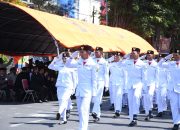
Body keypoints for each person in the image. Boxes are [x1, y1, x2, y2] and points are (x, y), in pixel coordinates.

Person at [67, 45, 98, 130]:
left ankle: (82, 128)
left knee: (84, 109)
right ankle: (83, 127)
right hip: (79, 89)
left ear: (88, 53)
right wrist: (71, 57)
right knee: (80, 111)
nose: (80, 53)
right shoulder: (79, 61)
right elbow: (68, 65)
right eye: (80, 52)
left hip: (88, 90)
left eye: (82, 52)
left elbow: (94, 80)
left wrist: (94, 94)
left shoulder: (93, 64)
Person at [48, 52, 77, 124]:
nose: (64, 59)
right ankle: (64, 119)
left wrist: (74, 88)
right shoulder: (60, 65)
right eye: (63, 58)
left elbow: (75, 79)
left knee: (64, 100)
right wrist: (55, 59)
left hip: (68, 87)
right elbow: (50, 66)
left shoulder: (72, 66)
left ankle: (59, 112)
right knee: (62, 102)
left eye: (66, 58)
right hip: (60, 86)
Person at [124, 47, 146, 127]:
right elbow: (120, 62)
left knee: (136, 97)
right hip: (130, 84)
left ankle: (135, 116)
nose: (132, 54)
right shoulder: (128, 62)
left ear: (138, 54)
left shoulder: (142, 64)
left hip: (138, 83)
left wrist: (144, 88)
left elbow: (144, 77)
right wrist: (128, 55)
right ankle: (132, 118)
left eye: (134, 53)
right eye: (132, 53)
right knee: (130, 101)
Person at [161, 49, 180, 130]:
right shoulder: (171, 63)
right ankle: (176, 123)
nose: (176, 56)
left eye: (177, 54)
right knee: (174, 106)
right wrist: (168, 57)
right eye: (174, 55)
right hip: (172, 88)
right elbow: (160, 64)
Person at [91, 47, 109, 122]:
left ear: (101, 53)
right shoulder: (91, 60)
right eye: (95, 52)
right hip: (93, 81)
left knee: (98, 97)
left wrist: (106, 84)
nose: (96, 53)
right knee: (94, 99)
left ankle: (94, 112)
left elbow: (106, 74)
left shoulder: (105, 62)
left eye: (97, 52)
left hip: (100, 81)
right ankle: (97, 115)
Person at [109, 52, 126, 118]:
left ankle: (118, 110)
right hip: (113, 83)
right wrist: (111, 59)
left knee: (118, 96)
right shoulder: (111, 64)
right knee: (114, 97)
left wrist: (125, 86)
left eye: (117, 56)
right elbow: (106, 63)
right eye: (115, 56)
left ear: (121, 57)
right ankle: (116, 110)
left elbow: (125, 75)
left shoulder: (123, 64)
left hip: (120, 83)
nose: (115, 57)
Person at [143, 50, 158, 121]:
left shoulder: (156, 64)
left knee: (150, 95)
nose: (148, 56)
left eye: (150, 55)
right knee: (146, 98)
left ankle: (150, 111)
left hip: (152, 83)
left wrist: (157, 85)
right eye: (147, 55)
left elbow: (157, 75)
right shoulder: (144, 63)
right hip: (145, 83)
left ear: (153, 55)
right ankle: (148, 113)